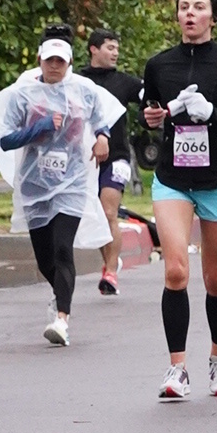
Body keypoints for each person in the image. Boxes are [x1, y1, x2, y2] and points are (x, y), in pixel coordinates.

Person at [139, 0, 217, 399]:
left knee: (215, 279)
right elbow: (150, 114)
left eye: (199, 7)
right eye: (184, 7)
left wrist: (213, 115)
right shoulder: (159, 64)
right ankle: (177, 369)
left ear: (213, 17)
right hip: (173, 178)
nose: (190, 13)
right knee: (175, 271)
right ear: (177, 16)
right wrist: (153, 117)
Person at [0, 33, 124, 347]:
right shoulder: (23, 94)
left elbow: (101, 120)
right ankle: (60, 293)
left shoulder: (83, 90)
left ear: (69, 63)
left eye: (61, 61)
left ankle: (62, 320)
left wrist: (103, 137)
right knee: (45, 259)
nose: (55, 66)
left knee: (62, 248)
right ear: (40, 60)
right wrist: (38, 127)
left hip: (72, 182)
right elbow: (5, 140)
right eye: (49, 60)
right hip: (35, 183)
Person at [84, 27, 144, 295]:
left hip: (117, 157)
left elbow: (149, 96)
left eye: (117, 48)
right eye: (110, 48)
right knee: (98, 217)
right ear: (93, 49)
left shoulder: (125, 82)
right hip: (87, 160)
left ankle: (110, 273)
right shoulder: (79, 81)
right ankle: (109, 261)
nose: (115, 53)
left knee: (109, 212)